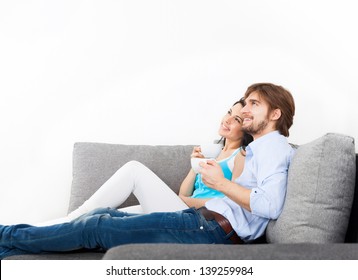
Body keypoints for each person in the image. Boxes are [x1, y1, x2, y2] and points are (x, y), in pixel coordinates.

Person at [0, 82, 296, 259]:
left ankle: (5, 235)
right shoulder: (259, 148)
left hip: (211, 231)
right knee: (103, 217)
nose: (244, 110)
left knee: (96, 227)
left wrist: (221, 182)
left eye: (253, 104)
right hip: (202, 222)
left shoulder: (274, 147)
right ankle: (9, 247)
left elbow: (269, 205)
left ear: (275, 114)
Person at [34, 98, 252, 227]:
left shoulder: (240, 156)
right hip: (183, 207)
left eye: (237, 119)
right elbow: (185, 191)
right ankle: (32, 229)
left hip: (198, 220)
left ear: (246, 128)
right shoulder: (213, 151)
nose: (227, 120)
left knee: (134, 170)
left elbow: (231, 203)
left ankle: (69, 218)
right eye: (228, 112)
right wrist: (194, 166)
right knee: (100, 217)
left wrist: (185, 201)